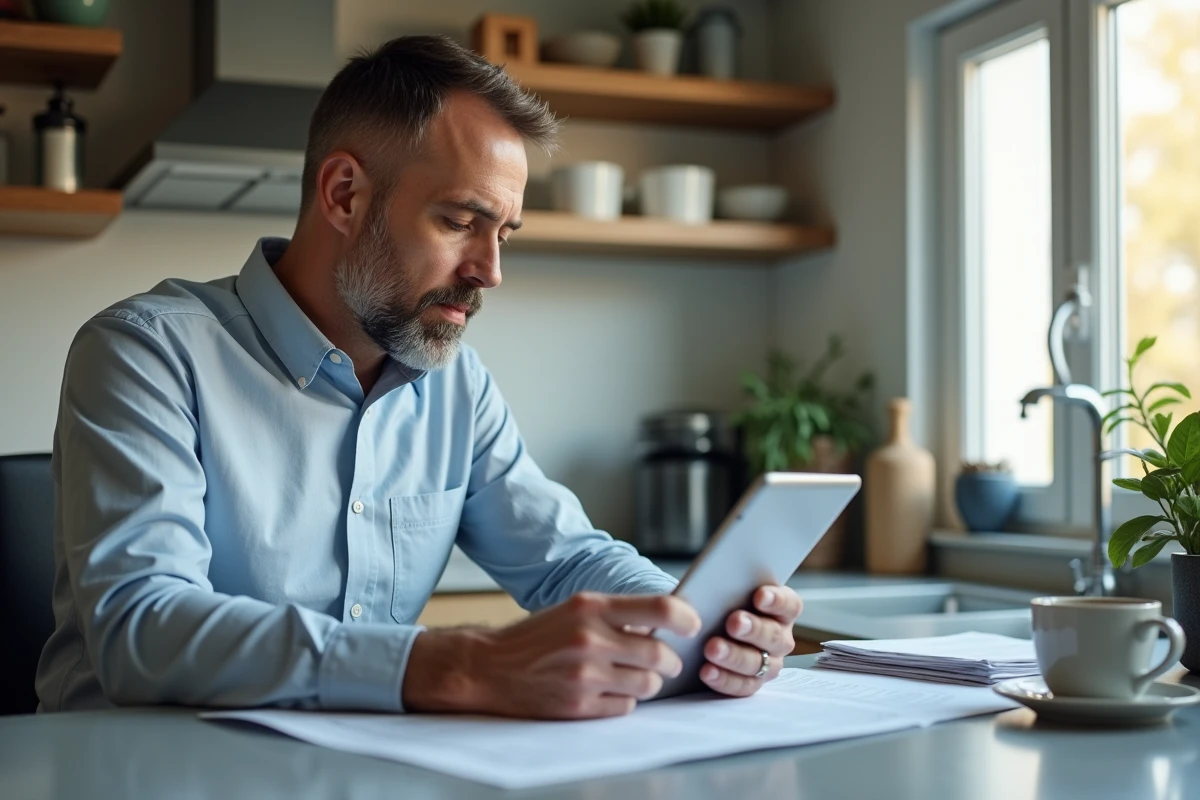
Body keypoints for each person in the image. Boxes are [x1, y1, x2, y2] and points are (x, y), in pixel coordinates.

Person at [36, 35, 802, 719]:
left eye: (504, 233)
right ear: (344, 194)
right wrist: (462, 662)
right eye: (461, 221)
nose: (491, 272)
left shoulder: (455, 387)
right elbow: (143, 627)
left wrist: (700, 621)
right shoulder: (145, 353)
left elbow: (567, 558)